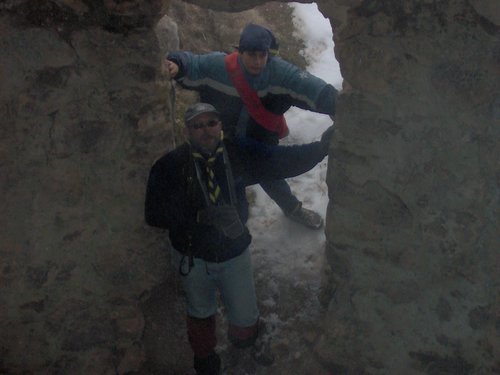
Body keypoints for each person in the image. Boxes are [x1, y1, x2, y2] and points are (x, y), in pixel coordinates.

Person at [145, 103, 334, 375]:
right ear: (188, 131)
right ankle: (205, 357)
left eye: (211, 123)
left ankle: (245, 341)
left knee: (245, 314)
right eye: (198, 125)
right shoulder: (170, 166)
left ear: (220, 125)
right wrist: (198, 217)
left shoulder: (236, 152)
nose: (206, 130)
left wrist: (319, 149)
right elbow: (154, 214)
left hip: (233, 251)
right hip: (192, 254)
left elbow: (278, 160)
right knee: (200, 311)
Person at [165, 23, 338, 230]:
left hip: (261, 141)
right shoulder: (219, 66)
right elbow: (193, 64)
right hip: (225, 143)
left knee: (272, 176)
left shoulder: (280, 73)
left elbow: (313, 89)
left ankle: (291, 209)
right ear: (240, 52)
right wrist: (177, 64)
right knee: (227, 185)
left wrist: (340, 104)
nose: (257, 62)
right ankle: (229, 234)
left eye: (262, 56)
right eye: (251, 55)